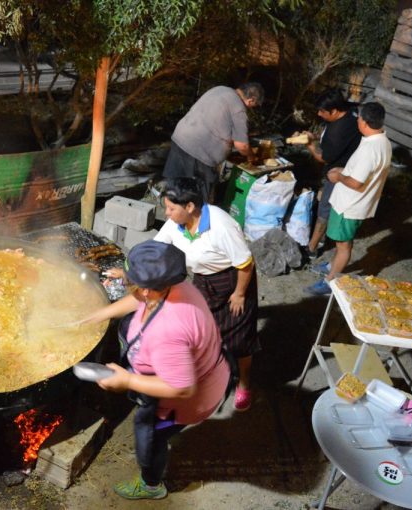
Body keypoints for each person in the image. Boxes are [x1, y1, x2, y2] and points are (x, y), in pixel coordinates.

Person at [85, 241, 230, 500]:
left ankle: (151, 484)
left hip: (182, 399)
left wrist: (127, 379)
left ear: (146, 289)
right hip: (207, 365)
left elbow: (181, 387)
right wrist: (98, 315)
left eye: (130, 281)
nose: (128, 283)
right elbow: (136, 300)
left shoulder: (167, 330)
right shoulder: (172, 285)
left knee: (149, 437)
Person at [155, 177, 259, 411]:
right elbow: (157, 248)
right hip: (205, 279)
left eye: (171, 208)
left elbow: (245, 264)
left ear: (190, 207)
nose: (167, 213)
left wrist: (240, 294)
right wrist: (131, 269)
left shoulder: (222, 226)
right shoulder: (176, 223)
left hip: (233, 279)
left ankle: (244, 384)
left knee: (239, 338)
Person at [306, 102, 392, 295]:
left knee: (344, 245)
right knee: (341, 241)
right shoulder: (381, 141)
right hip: (352, 202)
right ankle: (332, 266)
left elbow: (356, 183)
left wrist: (338, 177)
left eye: (359, 119)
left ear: (365, 122)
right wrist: (344, 170)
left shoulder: (371, 149)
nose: (357, 121)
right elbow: (365, 173)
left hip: (350, 205)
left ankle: (330, 282)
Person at [163, 82, 264, 200]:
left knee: (174, 189)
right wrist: (251, 157)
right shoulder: (239, 108)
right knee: (197, 198)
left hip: (180, 139)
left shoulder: (220, 89)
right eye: (254, 105)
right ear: (251, 100)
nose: (251, 108)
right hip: (200, 152)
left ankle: (171, 215)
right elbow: (242, 146)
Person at [298, 89, 361, 260]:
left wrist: (309, 144)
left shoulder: (339, 131)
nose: (319, 114)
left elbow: (323, 157)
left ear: (334, 111)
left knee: (324, 208)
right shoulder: (349, 113)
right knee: (326, 204)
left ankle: (312, 248)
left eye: (322, 112)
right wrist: (318, 136)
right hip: (344, 166)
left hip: (339, 174)